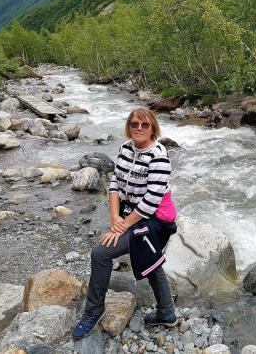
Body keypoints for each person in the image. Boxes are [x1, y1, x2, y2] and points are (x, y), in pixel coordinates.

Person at [72, 107, 178, 340]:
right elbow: (115, 185)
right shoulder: (125, 149)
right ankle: (167, 312)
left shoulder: (159, 155)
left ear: (153, 128)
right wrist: (114, 218)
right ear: (129, 127)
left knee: (101, 253)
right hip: (130, 214)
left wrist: (122, 225)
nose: (139, 128)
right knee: (149, 258)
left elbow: (151, 201)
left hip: (154, 219)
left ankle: (94, 311)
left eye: (144, 124)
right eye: (134, 124)